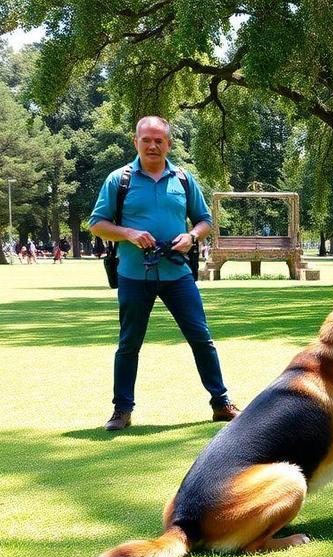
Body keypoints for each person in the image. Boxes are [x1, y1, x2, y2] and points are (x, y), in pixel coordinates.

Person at [87, 115, 239, 431]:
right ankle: (122, 410)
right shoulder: (120, 180)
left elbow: (205, 220)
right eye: (147, 140)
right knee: (129, 343)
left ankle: (221, 403)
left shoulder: (183, 179)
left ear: (168, 143)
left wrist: (192, 236)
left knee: (201, 337)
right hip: (133, 273)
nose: (153, 145)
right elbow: (97, 223)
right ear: (136, 142)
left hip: (177, 273)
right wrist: (128, 233)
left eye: (159, 140)